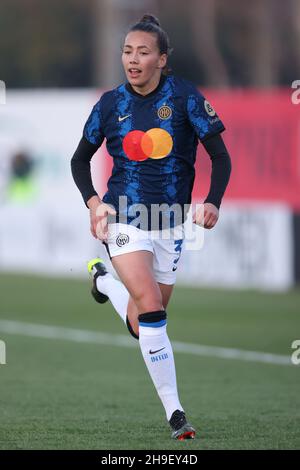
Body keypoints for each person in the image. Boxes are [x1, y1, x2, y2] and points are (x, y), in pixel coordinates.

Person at [71, 14, 231, 440]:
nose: (133, 59)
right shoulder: (109, 104)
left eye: (143, 52)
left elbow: (220, 156)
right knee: (152, 308)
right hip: (123, 217)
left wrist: (212, 202)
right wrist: (94, 204)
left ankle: (104, 284)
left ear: (162, 59)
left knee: (144, 321)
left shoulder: (185, 98)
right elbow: (78, 160)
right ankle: (176, 413)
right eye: (127, 51)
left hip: (171, 224)